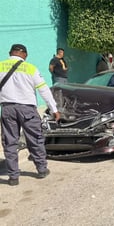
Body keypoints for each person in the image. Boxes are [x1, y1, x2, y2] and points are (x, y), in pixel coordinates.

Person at [0, 44, 60, 186]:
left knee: (10, 142)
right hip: (27, 109)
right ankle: (41, 169)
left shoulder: (1, 66)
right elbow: (44, 90)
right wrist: (54, 109)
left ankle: (13, 177)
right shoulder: (31, 68)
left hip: (7, 108)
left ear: (10, 53)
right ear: (25, 55)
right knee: (35, 139)